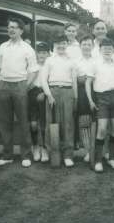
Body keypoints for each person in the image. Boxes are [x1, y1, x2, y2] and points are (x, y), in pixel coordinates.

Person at [0, 18, 39, 168]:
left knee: (23, 121)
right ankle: (7, 155)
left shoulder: (27, 48)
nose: (10, 30)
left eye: (14, 27)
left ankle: (26, 155)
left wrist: (25, 86)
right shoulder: (2, 47)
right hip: (4, 86)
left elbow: (33, 70)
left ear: (21, 30)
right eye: (9, 27)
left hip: (20, 85)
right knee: (4, 122)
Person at [85, 38, 114, 173]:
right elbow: (88, 82)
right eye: (105, 48)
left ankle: (112, 158)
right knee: (102, 129)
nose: (107, 50)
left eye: (110, 48)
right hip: (102, 98)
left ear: (113, 50)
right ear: (100, 49)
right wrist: (91, 100)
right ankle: (98, 160)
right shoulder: (95, 64)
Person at [41, 35, 78, 168]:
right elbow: (43, 80)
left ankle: (68, 155)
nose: (61, 46)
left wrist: (75, 98)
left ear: (66, 44)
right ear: (55, 45)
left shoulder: (71, 61)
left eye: (63, 43)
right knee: (51, 122)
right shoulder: (49, 60)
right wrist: (49, 95)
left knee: (67, 123)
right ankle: (53, 153)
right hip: (53, 91)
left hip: (67, 92)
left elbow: (74, 81)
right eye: (58, 44)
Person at [75, 34, 96, 163]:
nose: (86, 47)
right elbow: (73, 79)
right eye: (84, 44)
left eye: (89, 44)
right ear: (80, 46)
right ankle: (89, 151)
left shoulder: (98, 60)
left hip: (97, 92)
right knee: (84, 123)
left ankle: (99, 150)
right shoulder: (76, 62)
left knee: (97, 122)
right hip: (82, 93)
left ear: (93, 46)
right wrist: (79, 80)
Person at [29, 42, 50, 162]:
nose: (41, 55)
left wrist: (44, 93)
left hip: (45, 93)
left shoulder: (51, 64)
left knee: (44, 123)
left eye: (44, 52)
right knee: (33, 123)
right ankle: (35, 146)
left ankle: (45, 149)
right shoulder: (31, 66)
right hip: (32, 92)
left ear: (48, 54)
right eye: (39, 52)